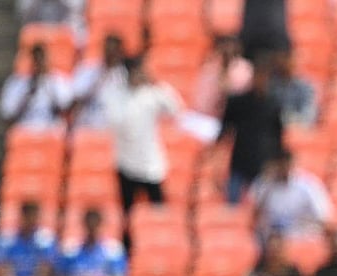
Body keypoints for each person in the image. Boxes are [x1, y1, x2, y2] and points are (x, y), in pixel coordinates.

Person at [106, 56, 181, 217]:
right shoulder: (117, 96)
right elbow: (117, 123)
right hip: (126, 164)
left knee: (159, 210)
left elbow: (175, 108)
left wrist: (155, 83)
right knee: (128, 214)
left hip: (150, 165)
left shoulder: (152, 93)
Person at [218, 57, 284, 204]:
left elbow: (278, 136)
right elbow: (224, 131)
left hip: (263, 163)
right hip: (240, 160)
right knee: (231, 205)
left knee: (261, 204)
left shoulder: (273, 105)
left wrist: (275, 162)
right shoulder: (238, 102)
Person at [251, 147, 332, 242]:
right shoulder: (263, 184)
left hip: (301, 235)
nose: (283, 169)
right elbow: (254, 216)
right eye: (279, 165)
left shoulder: (308, 184)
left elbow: (323, 216)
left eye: (286, 164)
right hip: (272, 237)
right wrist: (267, 186)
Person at [0, 43, 72, 130]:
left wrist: (48, 85)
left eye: (41, 59)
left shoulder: (58, 81)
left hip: (51, 128)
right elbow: (7, 112)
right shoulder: (17, 83)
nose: (38, 63)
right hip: (25, 127)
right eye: (36, 59)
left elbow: (66, 106)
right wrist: (28, 92)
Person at [70, 33, 127, 128]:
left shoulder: (125, 75)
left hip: (114, 125)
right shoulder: (89, 70)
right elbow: (76, 96)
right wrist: (99, 78)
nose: (110, 55)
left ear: (120, 53)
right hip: (90, 122)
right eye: (108, 51)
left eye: (113, 52)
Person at [54, 208, 127, 276]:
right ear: (84, 225)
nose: (92, 229)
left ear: (100, 225)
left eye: (95, 225)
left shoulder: (112, 252)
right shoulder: (71, 251)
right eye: (89, 225)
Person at [0, 201, 57, 276]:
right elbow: (0, 266)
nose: (31, 220)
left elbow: (47, 267)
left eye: (34, 217)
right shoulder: (8, 240)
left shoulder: (45, 241)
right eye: (28, 216)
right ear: (22, 216)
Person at [191, 34, 252, 118]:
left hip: (235, 118)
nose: (227, 50)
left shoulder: (243, 68)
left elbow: (240, 97)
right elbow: (203, 102)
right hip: (206, 117)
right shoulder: (210, 66)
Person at [268, 50, 317, 127]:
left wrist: (291, 120)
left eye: (288, 59)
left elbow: (308, 116)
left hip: (297, 128)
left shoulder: (305, 87)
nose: (285, 64)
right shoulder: (271, 86)